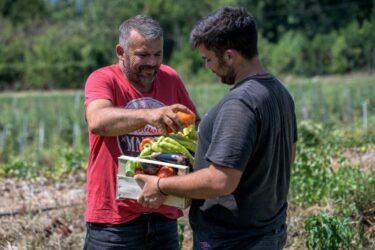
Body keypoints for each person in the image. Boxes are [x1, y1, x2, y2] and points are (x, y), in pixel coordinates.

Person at [135, 6, 298, 250]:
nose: (208, 67)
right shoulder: (278, 92)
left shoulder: (240, 103)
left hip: (234, 240)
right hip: (267, 231)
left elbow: (221, 180)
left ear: (230, 56)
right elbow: (289, 156)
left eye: (208, 59)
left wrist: (160, 185)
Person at [83, 15, 197, 250]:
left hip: (162, 212)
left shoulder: (170, 78)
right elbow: (98, 120)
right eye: (143, 55)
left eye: (158, 54)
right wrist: (150, 115)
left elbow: (193, 124)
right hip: (113, 221)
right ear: (121, 51)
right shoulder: (103, 79)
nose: (152, 62)